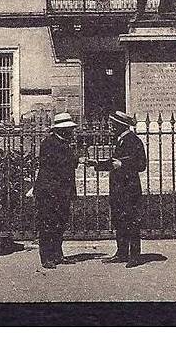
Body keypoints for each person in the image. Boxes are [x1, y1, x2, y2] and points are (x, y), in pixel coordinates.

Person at [91, 110, 147, 268]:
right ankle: (122, 253)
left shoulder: (134, 141)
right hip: (118, 188)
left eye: (113, 124)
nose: (111, 127)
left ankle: (135, 256)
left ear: (121, 125)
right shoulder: (120, 140)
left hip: (129, 188)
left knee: (131, 221)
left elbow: (141, 164)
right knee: (119, 220)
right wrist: (97, 164)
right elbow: (114, 162)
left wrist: (123, 165)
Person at [34, 112, 79, 269]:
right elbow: (60, 165)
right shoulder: (49, 143)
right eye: (68, 130)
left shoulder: (64, 144)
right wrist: (73, 157)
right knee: (48, 224)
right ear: (61, 130)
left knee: (60, 223)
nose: (71, 132)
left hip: (62, 191)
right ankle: (46, 257)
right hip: (49, 191)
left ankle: (58, 254)